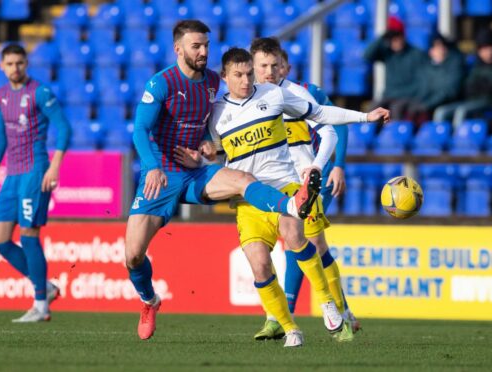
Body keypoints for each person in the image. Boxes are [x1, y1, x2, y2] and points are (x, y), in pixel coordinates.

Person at [174, 47, 389, 347]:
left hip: (286, 187)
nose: (247, 80)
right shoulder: (215, 112)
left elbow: (321, 114)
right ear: (224, 77)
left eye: (249, 72)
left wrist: (366, 116)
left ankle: (328, 303)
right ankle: (289, 328)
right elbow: (219, 151)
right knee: (259, 264)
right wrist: (205, 155)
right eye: (239, 75)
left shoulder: (272, 95)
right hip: (247, 198)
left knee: (295, 235)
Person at [126, 20, 325, 341]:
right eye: (196, 46)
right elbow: (140, 130)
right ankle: (149, 301)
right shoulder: (161, 84)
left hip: (196, 171)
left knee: (244, 178)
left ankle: (289, 203)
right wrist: (151, 166)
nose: (203, 51)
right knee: (133, 256)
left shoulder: (214, 83)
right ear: (178, 49)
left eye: (206, 45)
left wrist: (207, 143)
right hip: (161, 176)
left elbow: (216, 119)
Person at [250, 38, 360, 341]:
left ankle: (340, 312)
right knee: (284, 249)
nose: (271, 71)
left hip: (303, 183)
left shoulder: (303, 94)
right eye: (265, 66)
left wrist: (336, 166)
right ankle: (282, 316)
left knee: (311, 244)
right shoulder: (250, 99)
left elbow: (336, 124)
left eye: (277, 65)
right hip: (269, 185)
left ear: (286, 66)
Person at [0, 44, 72, 322]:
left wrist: (54, 166)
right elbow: (0, 135)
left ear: (26, 63)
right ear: (1, 66)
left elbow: (64, 128)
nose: (15, 68)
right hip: (11, 174)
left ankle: (40, 305)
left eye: (19, 63)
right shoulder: (0, 96)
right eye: (9, 64)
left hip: (35, 171)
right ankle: (45, 286)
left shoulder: (40, 92)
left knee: (29, 235)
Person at [433, 28, 492, 127]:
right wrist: (479, 85)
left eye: (488, 48)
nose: (486, 52)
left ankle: (459, 139)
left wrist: (480, 84)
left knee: (461, 112)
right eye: (482, 49)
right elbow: (469, 85)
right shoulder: (477, 64)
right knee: (441, 112)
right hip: (474, 100)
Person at [363, 16, 425, 120]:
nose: (395, 41)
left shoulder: (416, 54)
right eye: (392, 38)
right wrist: (383, 36)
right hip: (389, 96)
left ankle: (394, 135)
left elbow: (423, 80)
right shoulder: (388, 54)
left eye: (398, 37)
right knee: (373, 109)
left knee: (396, 109)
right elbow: (367, 55)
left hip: (408, 96)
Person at [406, 34, 465, 125]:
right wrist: (418, 103)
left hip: (449, 104)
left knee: (439, 112)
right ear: (430, 51)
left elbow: (449, 92)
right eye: (437, 47)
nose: (441, 50)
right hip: (429, 104)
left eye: (442, 46)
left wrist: (426, 105)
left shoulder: (455, 64)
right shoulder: (426, 68)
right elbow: (422, 89)